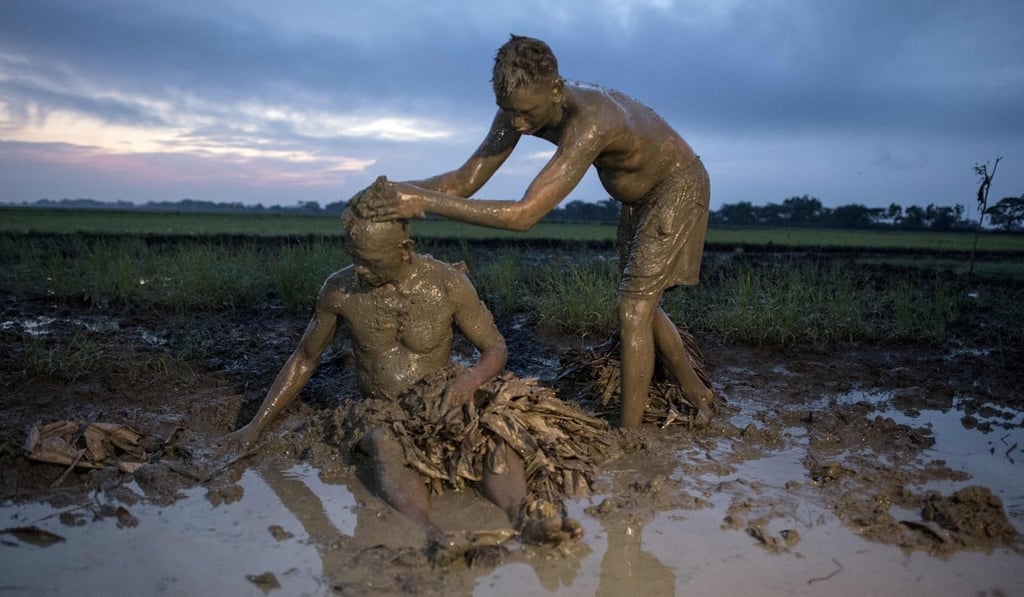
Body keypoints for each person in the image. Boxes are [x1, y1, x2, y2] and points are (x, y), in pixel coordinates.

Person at [225, 179, 616, 560]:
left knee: (492, 434)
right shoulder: (339, 290)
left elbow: (494, 347)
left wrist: (472, 380)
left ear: (405, 250)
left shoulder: (448, 284)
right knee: (383, 442)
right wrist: (254, 426)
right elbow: (304, 358)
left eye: (372, 262)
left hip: (441, 395)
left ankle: (523, 519)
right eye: (355, 258)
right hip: (383, 407)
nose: (360, 271)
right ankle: (431, 533)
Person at [359, 35, 715, 430]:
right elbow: (465, 180)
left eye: (526, 114)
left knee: (633, 308)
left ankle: (629, 437)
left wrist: (423, 204)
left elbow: (524, 215)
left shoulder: (592, 122)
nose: (518, 125)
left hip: (677, 186)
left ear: (556, 89)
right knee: (640, 305)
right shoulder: (518, 107)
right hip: (638, 201)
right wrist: (396, 193)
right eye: (509, 112)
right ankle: (697, 393)